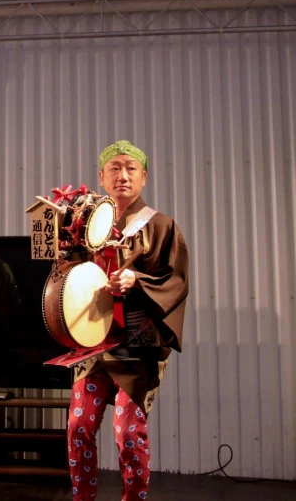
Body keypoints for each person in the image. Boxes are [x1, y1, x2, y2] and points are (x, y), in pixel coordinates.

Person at [66, 140, 189, 501]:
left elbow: (176, 281)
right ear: (101, 178)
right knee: (79, 426)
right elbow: (69, 277)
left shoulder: (162, 226)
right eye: (115, 169)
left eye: (131, 168)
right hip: (92, 342)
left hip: (138, 344)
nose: (123, 175)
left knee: (128, 432)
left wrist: (138, 281)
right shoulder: (84, 227)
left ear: (144, 177)